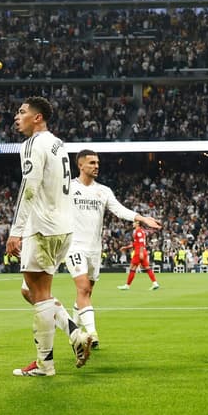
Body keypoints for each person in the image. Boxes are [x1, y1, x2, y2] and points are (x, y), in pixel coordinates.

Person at [8, 95, 93, 377]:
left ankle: (45, 365)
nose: (16, 117)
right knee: (29, 291)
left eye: (22, 112)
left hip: (42, 228)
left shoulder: (32, 144)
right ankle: (73, 332)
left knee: (40, 293)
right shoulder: (58, 144)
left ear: (38, 117)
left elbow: (29, 188)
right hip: (64, 228)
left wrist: (16, 230)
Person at [65, 149, 162, 349]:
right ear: (80, 165)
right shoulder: (67, 188)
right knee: (82, 287)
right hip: (74, 246)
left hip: (94, 249)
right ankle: (91, 335)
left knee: (86, 292)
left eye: (97, 162)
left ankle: (75, 333)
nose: (96, 166)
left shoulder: (103, 191)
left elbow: (119, 209)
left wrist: (142, 218)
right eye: (91, 163)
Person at [117, 219, 160, 290]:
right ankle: (155, 283)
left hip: (139, 252)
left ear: (137, 223)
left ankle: (127, 285)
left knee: (132, 268)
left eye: (134, 222)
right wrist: (126, 247)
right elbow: (136, 243)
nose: (133, 223)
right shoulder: (140, 231)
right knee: (147, 268)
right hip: (143, 251)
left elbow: (141, 242)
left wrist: (140, 252)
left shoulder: (139, 231)